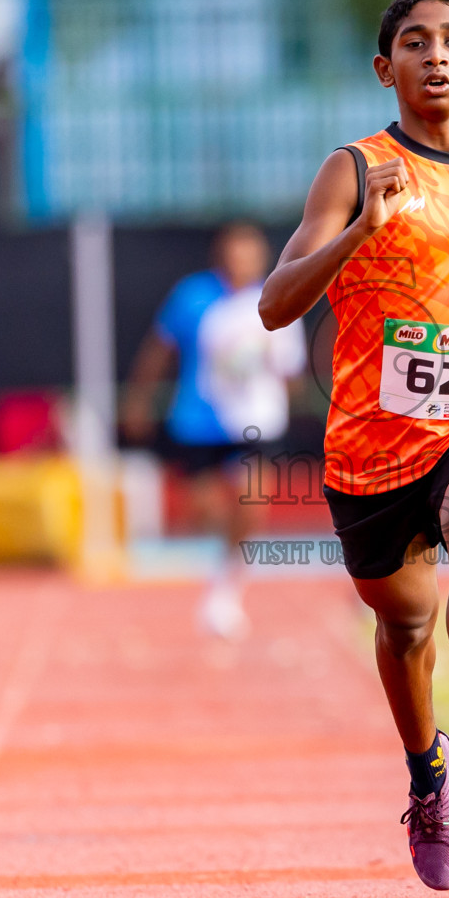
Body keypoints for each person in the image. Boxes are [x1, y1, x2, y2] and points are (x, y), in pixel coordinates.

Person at [258, 0, 449, 891]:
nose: (436, 54)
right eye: (416, 42)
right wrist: (361, 230)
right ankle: (427, 781)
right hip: (373, 441)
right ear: (385, 68)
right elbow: (276, 305)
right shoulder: (351, 169)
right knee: (407, 620)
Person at [121, 222, 306, 638]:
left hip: (257, 423)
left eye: (249, 253)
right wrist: (138, 399)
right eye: (233, 252)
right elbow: (159, 349)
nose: (240, 261)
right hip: (198, 422)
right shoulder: (193, 298)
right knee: (204, 511)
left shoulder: (278, 297)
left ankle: (227, 589)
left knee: (252, 504)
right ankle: (223, 561)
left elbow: (291, 370)